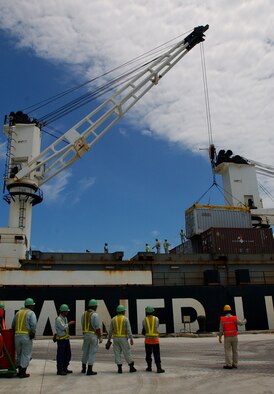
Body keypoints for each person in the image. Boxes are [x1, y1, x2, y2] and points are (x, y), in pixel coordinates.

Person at [106, 304, 136, 373]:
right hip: (123, 338)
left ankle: (119, 368)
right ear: (123, 312)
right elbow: (128, 330)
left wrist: (109, 339)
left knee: (117, 353)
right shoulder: (125, 319)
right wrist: (131, 338)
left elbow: (110, 330)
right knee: (127, 352)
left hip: (115, 338)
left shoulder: (114, 319)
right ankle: (131, 367)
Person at [12, 298, 37, 378]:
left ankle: (19, 372)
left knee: (18, 354)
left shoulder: (18, 313)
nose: (33, 307)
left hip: (17, 337)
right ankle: (23, 373)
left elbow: (13, 325)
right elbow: (33, 324)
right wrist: (33, 332)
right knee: (26, 354)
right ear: (30, 306)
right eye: (32, 305)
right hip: (26, 337)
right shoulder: (31, 313)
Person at [218, 304, 247, 369]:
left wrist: (220, 337)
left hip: (227, 337)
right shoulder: (234, 318)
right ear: (230, 311)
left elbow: (221, 330)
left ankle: (229, 364)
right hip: (234, 337)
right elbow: (241, 323)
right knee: (235, 351)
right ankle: (235, 364)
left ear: (224, 311)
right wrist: (245, 320)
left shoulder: (222, 319)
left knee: (228, 351)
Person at [81, 299, 103, 376]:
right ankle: (89, 370)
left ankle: (83, 368)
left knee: (85, 351)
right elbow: (97, 328)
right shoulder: (95, 315)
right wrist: (100, 337)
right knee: (92, 352)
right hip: (93, 335)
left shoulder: (83, 314)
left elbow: (82, 324)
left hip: (85, 335)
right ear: (94, 306)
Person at [142, 305, 165, 373]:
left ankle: (149, 367)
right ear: (152, 312)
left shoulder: (144, 320)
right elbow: (157, 326)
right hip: (155, 340)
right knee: (157, 354)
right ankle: (159, 368)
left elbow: (145, 328)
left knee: (148, 354)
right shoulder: (156, 319)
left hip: (147, 340)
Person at [55, 304, 75, 375]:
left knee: (68, 354)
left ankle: (65, 368)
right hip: (61, 340)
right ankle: (59, 370)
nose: (67, 313)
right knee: (61, 355)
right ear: (63, 312)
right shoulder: (58, 319)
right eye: (66, 311)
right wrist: (69, 324)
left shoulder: (65, 318)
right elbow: (63, 327)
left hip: (66, 339)